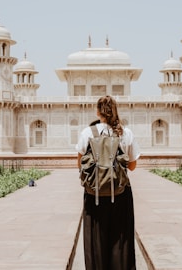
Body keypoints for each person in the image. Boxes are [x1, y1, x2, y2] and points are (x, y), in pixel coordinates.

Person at [76, 95, 140, 270]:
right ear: (115, 111)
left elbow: (79, 164)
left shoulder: (88, 132)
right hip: (120, 193)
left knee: (95, 240)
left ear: (97, 112)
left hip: (94, 194)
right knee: (120, 240)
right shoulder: (125, 133)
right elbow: (133, 166)